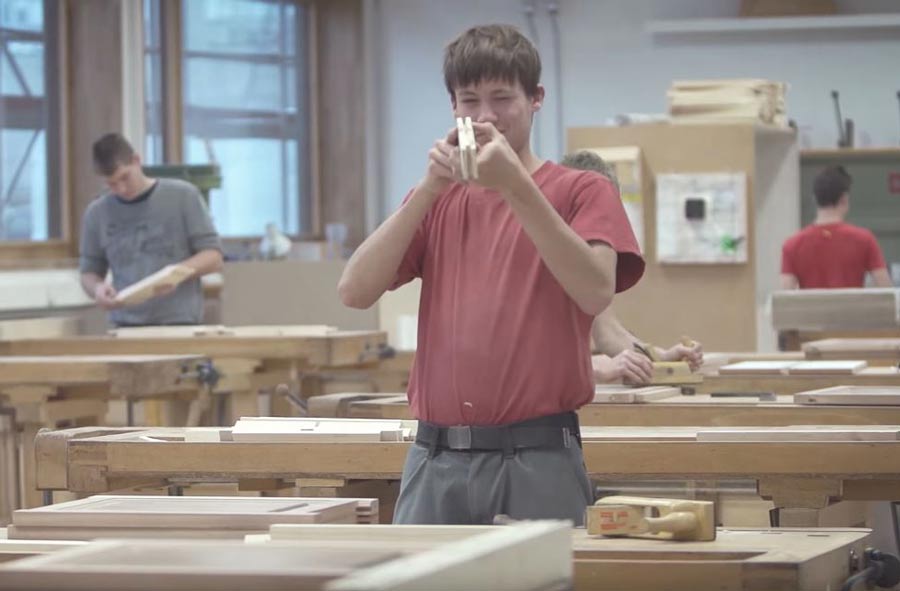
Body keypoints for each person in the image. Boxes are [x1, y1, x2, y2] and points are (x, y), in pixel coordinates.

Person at [338, 24, 644, 525]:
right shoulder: (438, 201)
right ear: (452, 105)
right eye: (469, 100)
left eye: (502, 98)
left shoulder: (582, 190)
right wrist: (429, 189)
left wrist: (515, 186)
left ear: (536, 98)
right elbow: (354, 290)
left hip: (538, 456)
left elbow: (594, 291)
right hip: (435, 456)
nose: (485, 116)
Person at [560, 150, 703, 385]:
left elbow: (609, 333)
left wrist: (659, 359)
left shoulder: (582, 264)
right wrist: (591, 367)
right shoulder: (531, 251)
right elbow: (510, 355)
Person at [79, 133, 223, 327]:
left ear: (136, 161)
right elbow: (88, 272)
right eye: (111, 183)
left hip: (178, 323)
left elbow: (213, 257)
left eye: (125, 177)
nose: (120, 189)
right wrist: (97, 289)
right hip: (125, 325)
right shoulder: (97, 213)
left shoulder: (183, 196)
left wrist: (178, 273)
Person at [781, 165, 892, 289]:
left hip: (812, 309)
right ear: (844, 199)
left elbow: (785, 296)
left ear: (815, 199)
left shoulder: (792, 245)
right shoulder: (864, 239)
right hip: (853, 309)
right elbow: (885, 290)